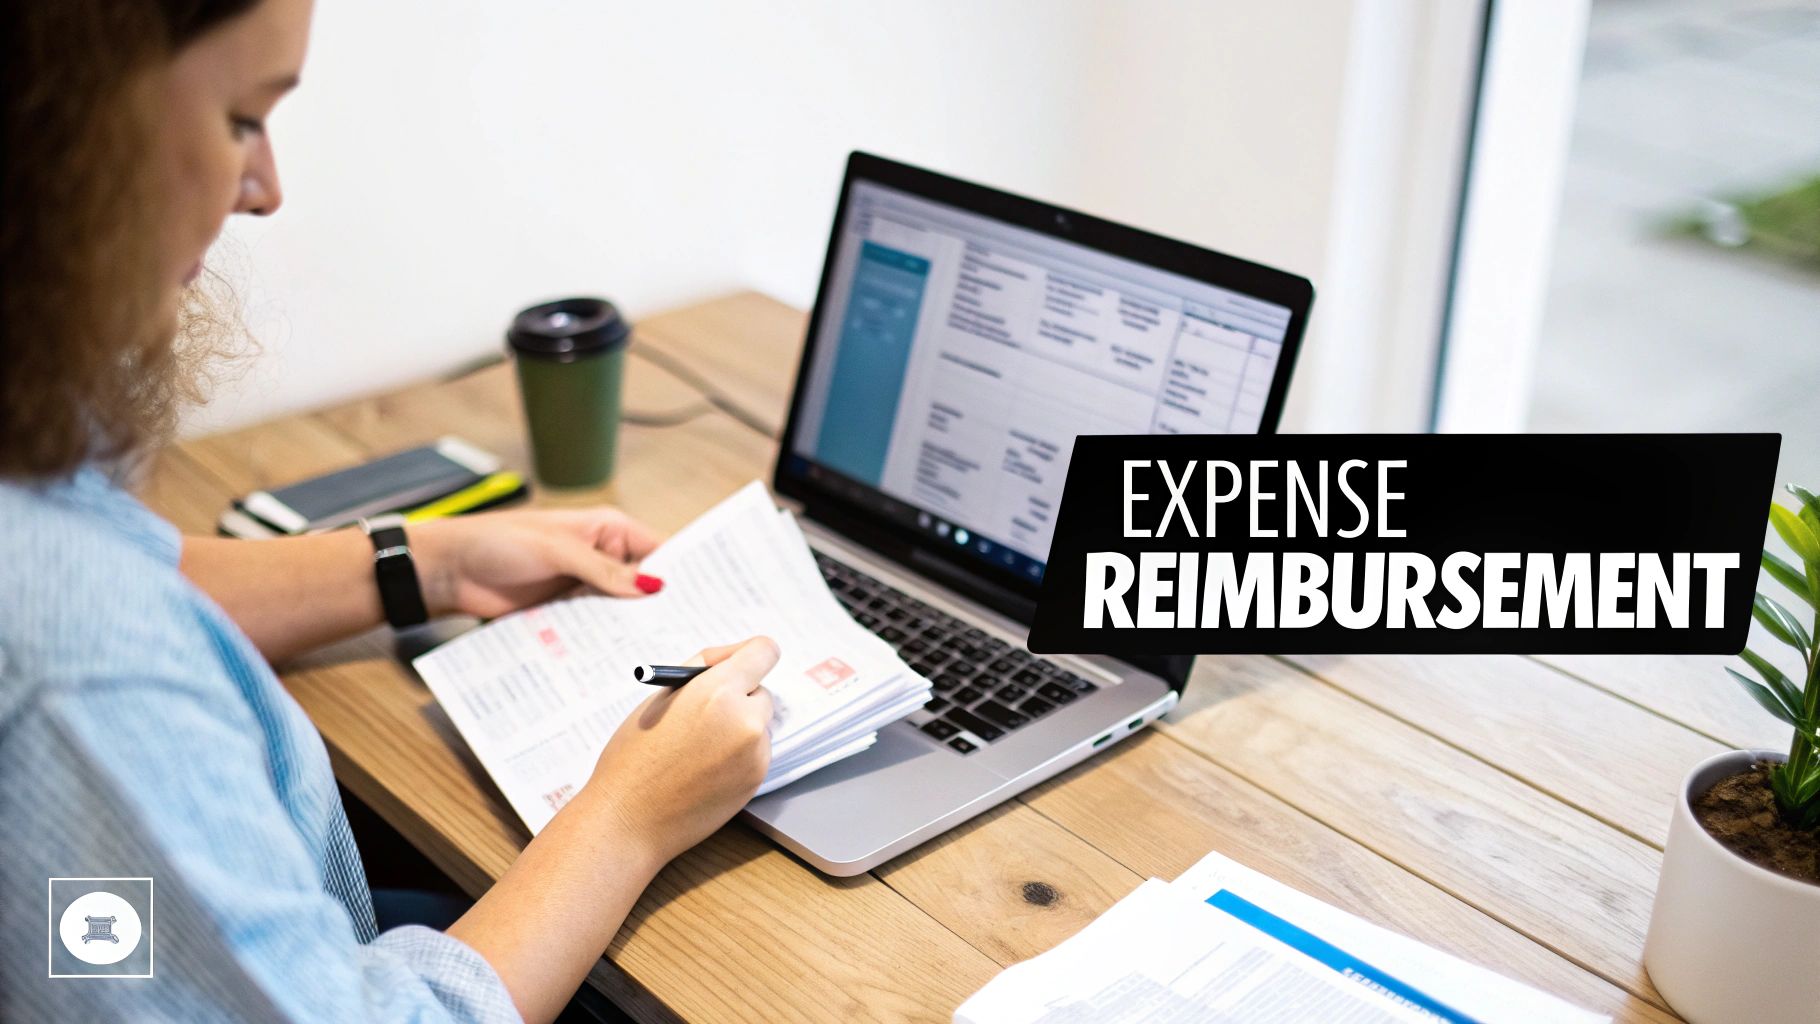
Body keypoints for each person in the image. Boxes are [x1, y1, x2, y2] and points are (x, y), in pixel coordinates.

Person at [0, 2, 778, 1021]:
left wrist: (425, 564)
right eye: (242, 117)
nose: (265, 189)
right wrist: (626, 820)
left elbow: (128, 571)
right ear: (61, 130)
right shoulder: (77, 667)